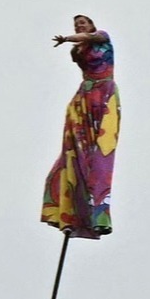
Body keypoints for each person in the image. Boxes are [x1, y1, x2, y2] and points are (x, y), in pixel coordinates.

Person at [43, 16, 121, 238]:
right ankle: (69, 211)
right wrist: (73, 42)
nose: (79, 26)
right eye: (76, 24)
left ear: (92, 26)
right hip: (84, 98)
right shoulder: (76, 52)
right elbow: (81, 46)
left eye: (83, 23)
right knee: (75, 154)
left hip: (104, 95)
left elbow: (89, 37)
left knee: (101, 156)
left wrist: (68, 38)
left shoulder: (102, 37)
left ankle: (99, 211)